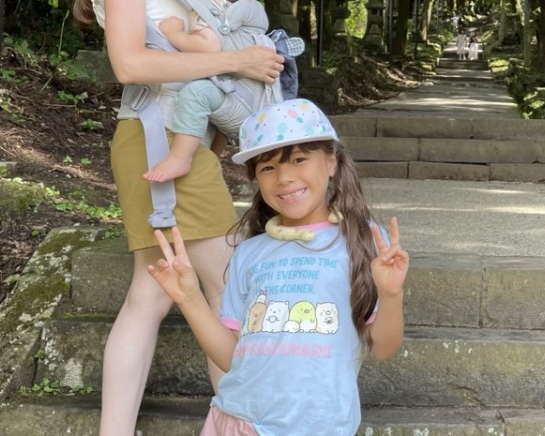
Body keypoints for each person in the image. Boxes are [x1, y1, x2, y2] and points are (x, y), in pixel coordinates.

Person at [71, 0, 286, 436]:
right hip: (161, 137)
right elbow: (130, 64)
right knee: (227, 287)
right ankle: (244, 425)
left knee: (152, 292)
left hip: (164, 136)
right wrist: (234, 63)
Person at [148, 98, 409, 435]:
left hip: (318, 427)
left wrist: (391, 294)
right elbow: (232, 357)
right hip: (236, 421)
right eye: (268, 167)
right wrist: (189, 298)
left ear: (331, 162)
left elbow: (385, 348)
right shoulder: (250, 252)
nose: (284, 177)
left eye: (299, 159)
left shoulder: (363, 246)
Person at [143, 0, 274, 184]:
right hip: (255, 101)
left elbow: (208, 46)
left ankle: (181, 156)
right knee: (212, 95)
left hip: (244, 105)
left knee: (196, 94)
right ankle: (209, 156)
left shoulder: (213, 11)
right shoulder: (252, 13)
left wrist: (175, 34)